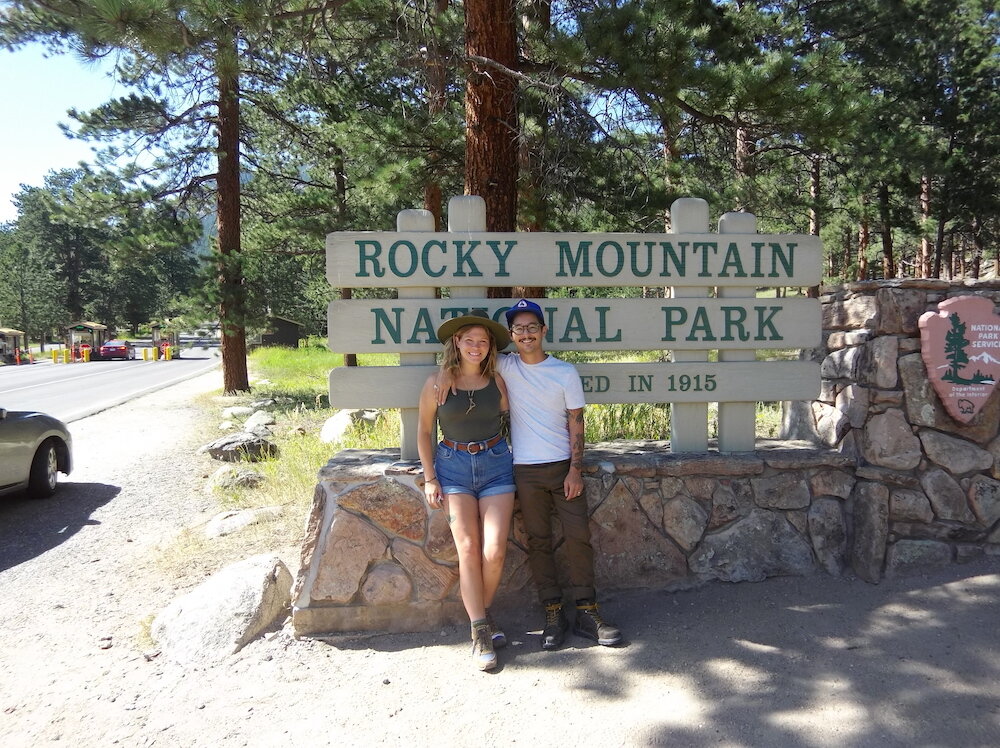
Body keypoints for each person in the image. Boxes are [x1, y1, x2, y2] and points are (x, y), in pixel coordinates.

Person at [439, 298, 623, 650]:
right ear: (511, 335)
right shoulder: (504, 366)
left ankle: (588, 610)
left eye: (532, 327)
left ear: (543, 331)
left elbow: (576, 421)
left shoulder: (565, 372)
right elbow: (467, 363)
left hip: (562, 468)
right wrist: (446, 372)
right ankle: (553, 613)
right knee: (538, 542)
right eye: (519, 329)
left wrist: (575, 469)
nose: (526, 334)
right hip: (524, 469)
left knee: (578, 537)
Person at [418, 310, 516, 671]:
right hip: (453, 468)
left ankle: (483, 616)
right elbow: (424, 433)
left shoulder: (499, 381)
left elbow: (512, 415)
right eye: (469, 340)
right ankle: (479, 632)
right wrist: (430, 478)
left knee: (493, 551)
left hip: (495, 465)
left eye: (483, 341)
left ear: (490, 347)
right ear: (456, 343)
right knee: (469, 548)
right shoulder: (436, 384)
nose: (476, 346)